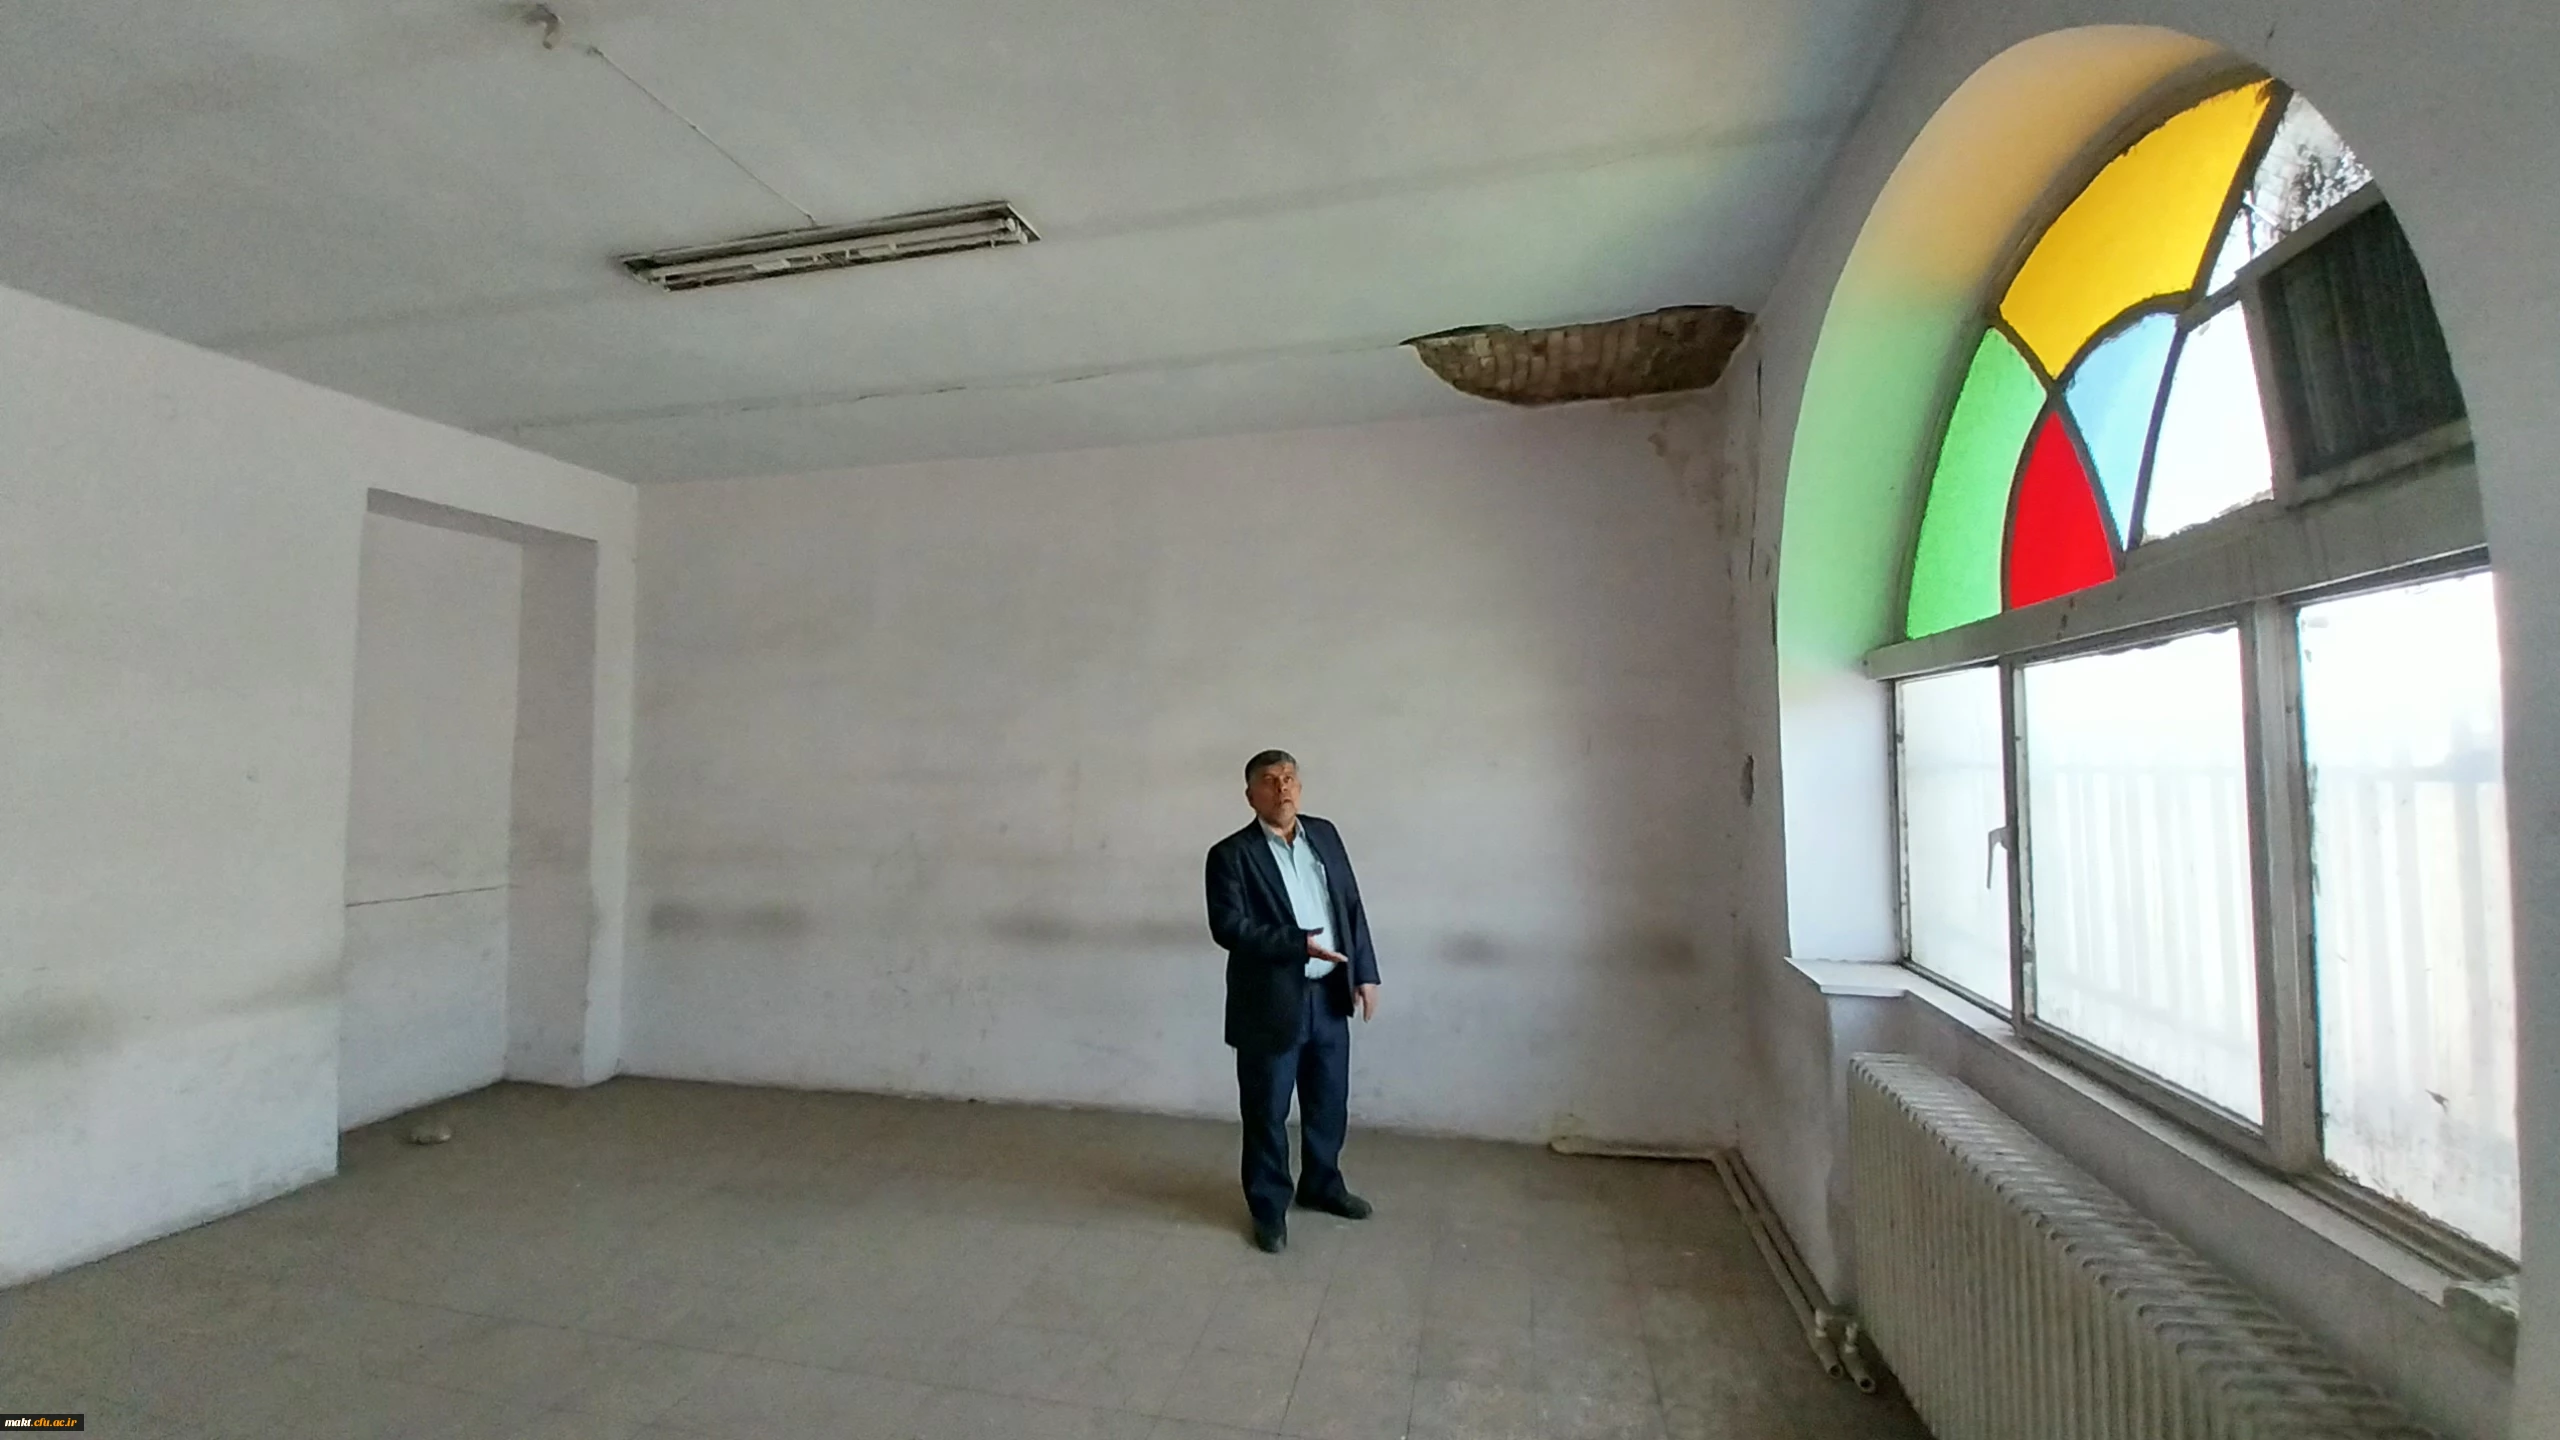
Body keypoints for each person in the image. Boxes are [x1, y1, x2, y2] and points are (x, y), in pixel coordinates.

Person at [1203, 750, 1381, 1253]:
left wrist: (1365, 974)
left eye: (1289, 778)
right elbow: (1228, 927)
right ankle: (1268, 1208)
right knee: (1267, 1111)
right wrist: (1296, 943)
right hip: (1269, 1002)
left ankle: (1322, 1184)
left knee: (1329, 1103)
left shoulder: (1325, 835)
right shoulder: (1231, 855)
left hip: (1329, 996)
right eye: (1269, 780)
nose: (1282, 788)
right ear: (1250, 796)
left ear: (1299, 788)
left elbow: (1350, 905)